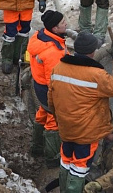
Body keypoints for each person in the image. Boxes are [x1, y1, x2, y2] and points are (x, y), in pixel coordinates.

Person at [48, 31, 113, 193]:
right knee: (80, 167)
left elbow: (51, 100)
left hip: (66, 128)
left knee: (66, 161)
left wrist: (60, 121)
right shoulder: (96, 75)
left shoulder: (58, 68)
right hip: (86, 133)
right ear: (92, 52)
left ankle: (64, 189)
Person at [27, 10, 70, 168]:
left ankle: (37, 147)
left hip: (39, 85)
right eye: (62, 23)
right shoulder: (53, 52)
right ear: (54, 29)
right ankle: (52, 158)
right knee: (53, 120)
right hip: (50, 90)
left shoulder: (40, 36)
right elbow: (55, 80)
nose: (66, 24)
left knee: (42, 113)